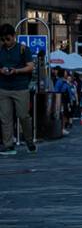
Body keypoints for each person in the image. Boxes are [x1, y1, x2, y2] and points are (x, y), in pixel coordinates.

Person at [0, 24, 36, 154]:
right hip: (3, 88)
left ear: (14, 36)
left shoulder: (23, 49)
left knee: (23, 116)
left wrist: (16, 71)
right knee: (5, 118)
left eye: (8, 39)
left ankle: (29, 141)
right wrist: (2, 70)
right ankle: (9, 145)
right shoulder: (1, 50)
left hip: (20, 87)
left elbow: (31, 67)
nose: (5, 42)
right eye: (3, 39)